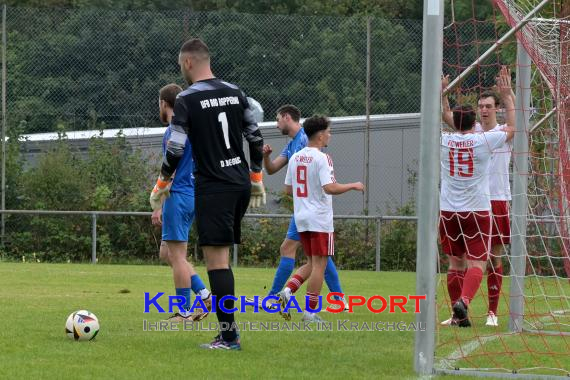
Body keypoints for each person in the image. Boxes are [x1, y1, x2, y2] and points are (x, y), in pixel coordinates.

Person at [150, 38, 265, 350]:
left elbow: (174, 147)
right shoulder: (235, 91)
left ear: (188, 63)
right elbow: (255, 137)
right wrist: (256, 176)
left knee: (217, 262)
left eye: (180, 65)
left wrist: (161, 183)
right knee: (221, 259)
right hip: (240, 182)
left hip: (213, 186)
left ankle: (229, 337)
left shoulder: (187, 98)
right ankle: (226, 333)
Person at [441, 66, 515, 327]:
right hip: (477, 206)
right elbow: (451, 117)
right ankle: (460, 312)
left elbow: (514, 127)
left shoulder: (502, 132)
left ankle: (492, 313)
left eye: (489, 106)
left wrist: (508, 96)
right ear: (476, 111)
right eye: (481, 106)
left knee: (493, 257)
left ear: (497, 109)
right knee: (468, 259)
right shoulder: (473, 134)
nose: (484, 110)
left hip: (496, 200)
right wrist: (444, 97)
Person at [257, 104, 348, 310]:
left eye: (278, 119)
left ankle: (277, 297)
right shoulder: (293, 144)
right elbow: (271, 170)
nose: (276, 123)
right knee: (318, 257)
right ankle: (336, 299)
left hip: (308, 209)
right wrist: (265, 157)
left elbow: (297, 184)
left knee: (308, 255)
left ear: (288, 118)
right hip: (309, 210)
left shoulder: (304, 142)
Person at [277, 115, 364, 322]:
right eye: (329, 132)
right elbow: (330, 187)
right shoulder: (322, 158)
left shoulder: (296, 156)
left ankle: (287, 291)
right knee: (320, 266)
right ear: (320, 135)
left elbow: (288, 190)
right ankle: (310, 312)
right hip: (319, 219)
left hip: (301, 218)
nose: (330, 135)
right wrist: (353, 185)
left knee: (311, 262)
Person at [150, 83, 211, 323]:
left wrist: (158, 202)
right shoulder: (194, 131)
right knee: (168, 253)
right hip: (191, 195)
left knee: (177, 256)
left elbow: (170, 171)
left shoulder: (173, 132)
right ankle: (205, 295)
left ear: (164, 104)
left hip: (177, 195)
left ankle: (184, 312)